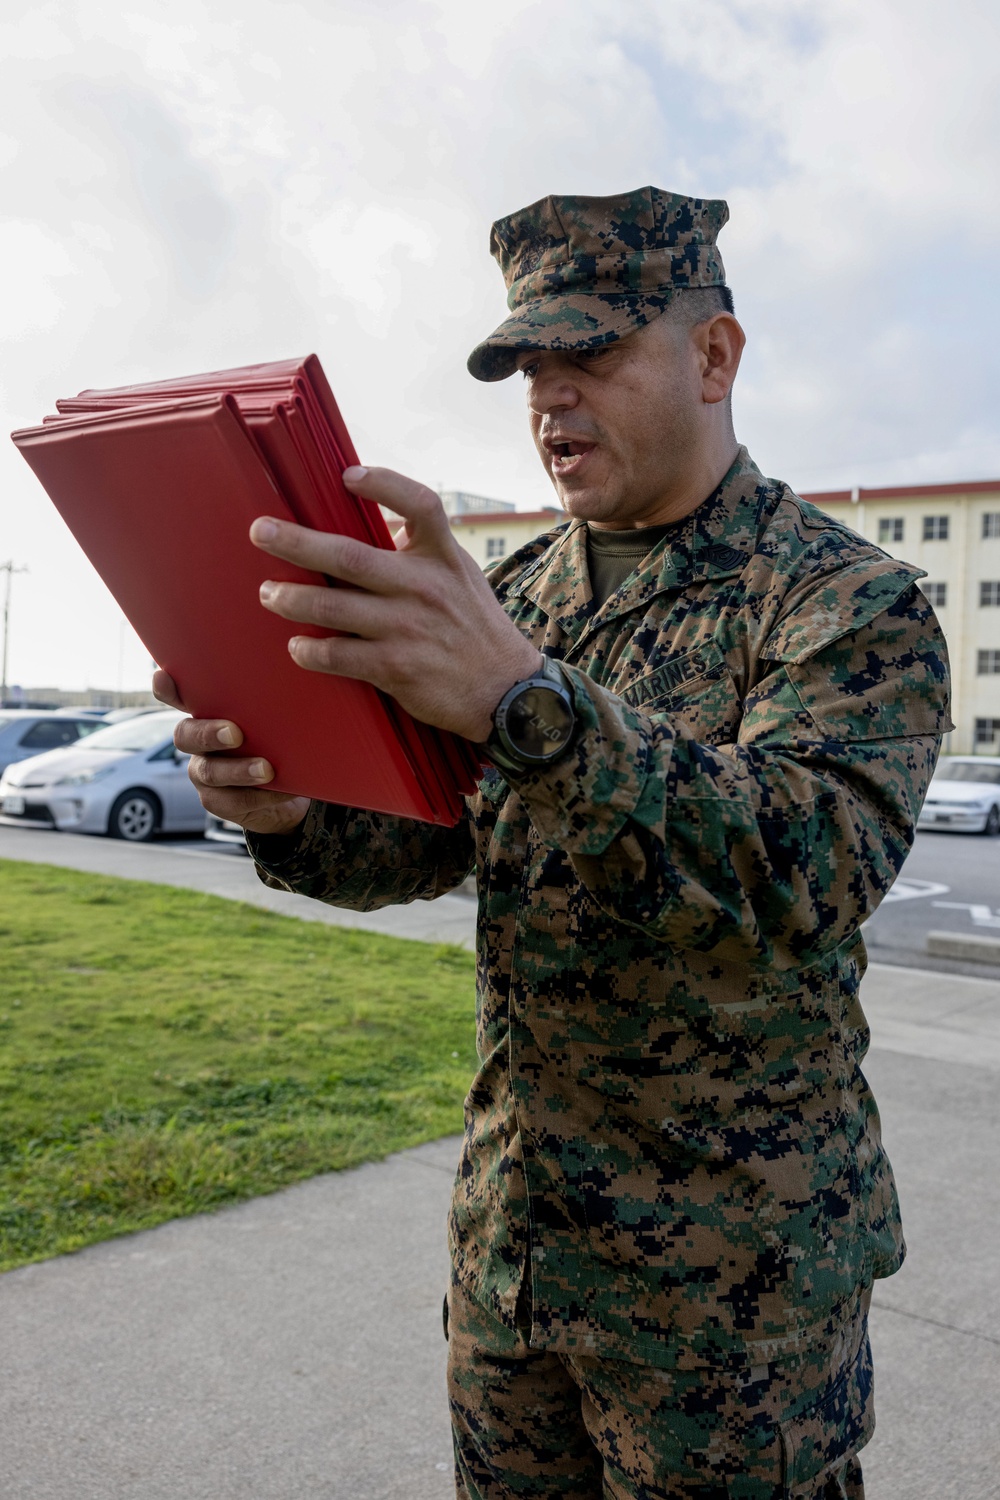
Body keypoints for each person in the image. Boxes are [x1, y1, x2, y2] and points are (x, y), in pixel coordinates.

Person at [157, 186, 951, 1498]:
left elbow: (811, 869)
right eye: (529, 366)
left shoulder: (844, 599)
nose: (550, 400)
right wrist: (292, 810)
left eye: (591, 355)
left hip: (732, 1303)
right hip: (519, 1255)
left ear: (713, 356)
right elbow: (420, 846)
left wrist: (525, 701)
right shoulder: (510, 595)